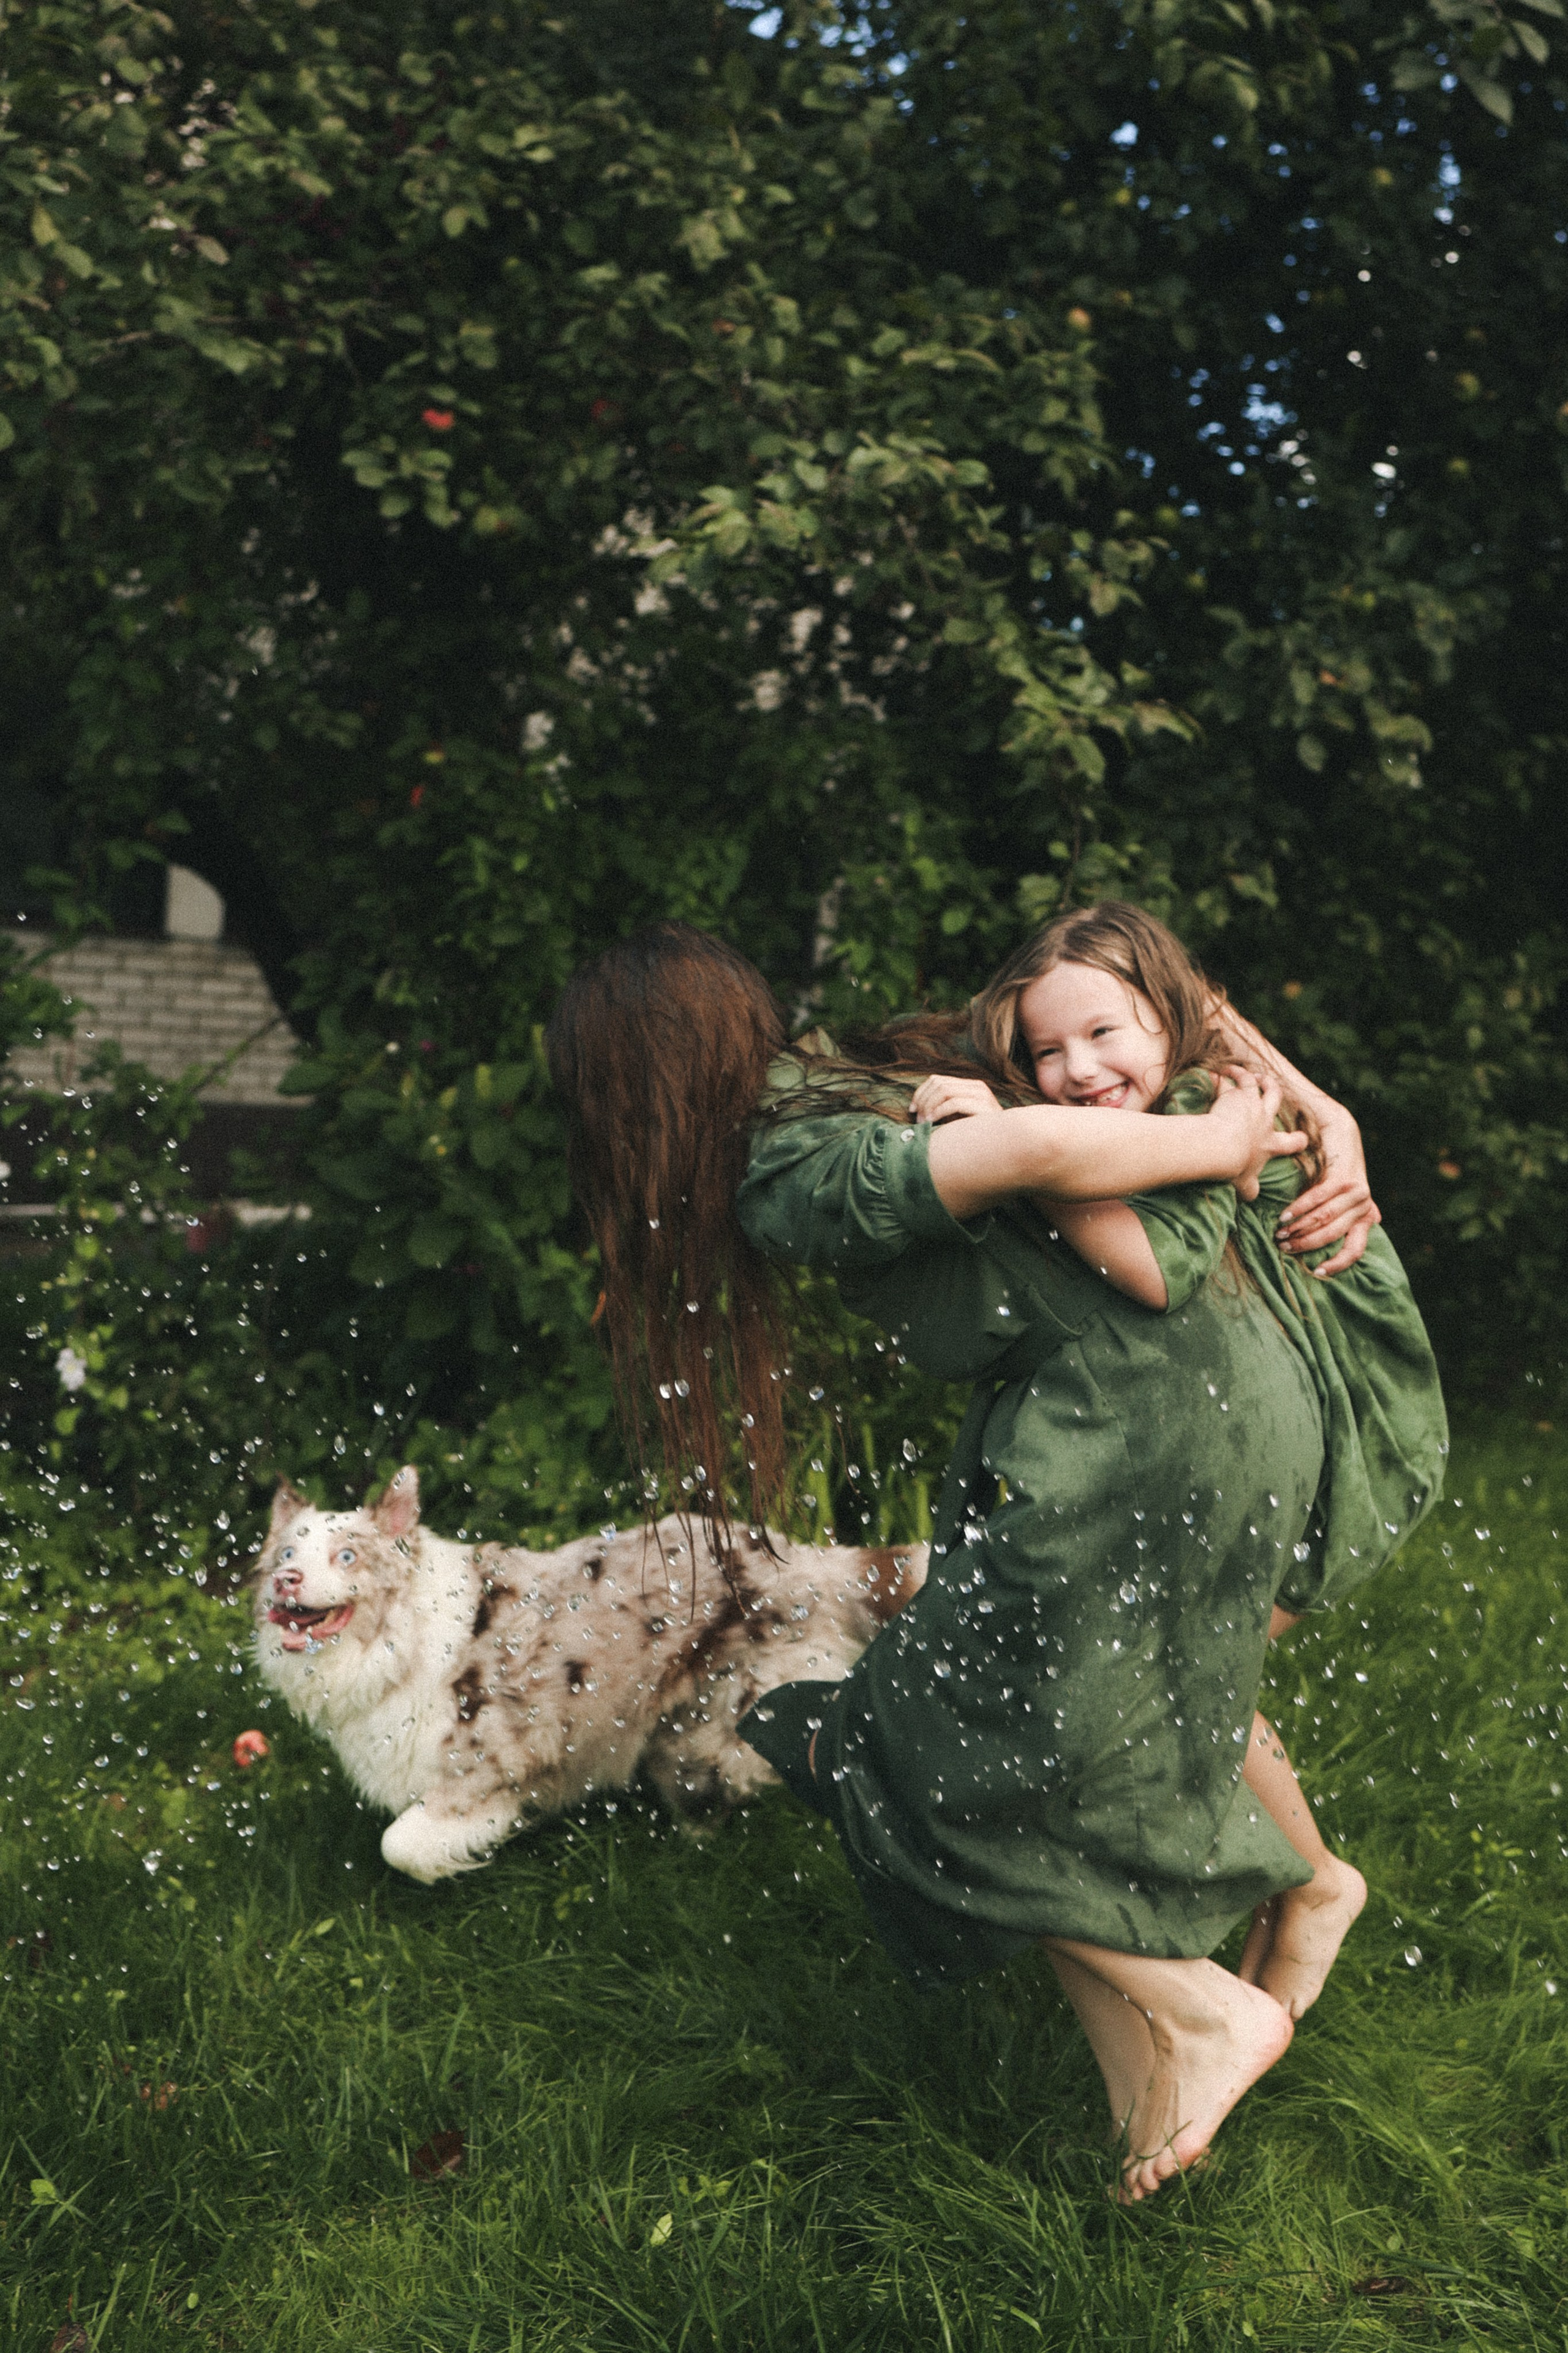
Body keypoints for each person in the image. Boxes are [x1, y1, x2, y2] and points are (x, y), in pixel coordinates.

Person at [545, 912, 1444, 2202]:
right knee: (1133, 1695)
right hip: (1211, 1385)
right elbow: (1182, 1008)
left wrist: (1265, 1128)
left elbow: (1048, 1121)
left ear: (627, 1100)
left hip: (1156, 1422)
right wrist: (1312, 1107)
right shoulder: (851, 1074)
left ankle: (1204, 2013)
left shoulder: (790, 1163)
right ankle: (1198, 2033)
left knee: (948, 1754)